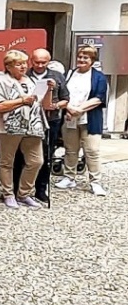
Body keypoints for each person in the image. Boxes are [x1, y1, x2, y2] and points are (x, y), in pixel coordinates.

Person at [0, 50, 52, 209]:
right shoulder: (1, 81)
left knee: (36, 161)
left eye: (24, 63)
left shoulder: (30, 80)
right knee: (7, 162)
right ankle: (8, 194)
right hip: (8, 127)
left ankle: (24, 194)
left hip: (31, 126)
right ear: (8, 66)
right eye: (19, 64)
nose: (23, 66)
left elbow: (44, 105)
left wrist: (49, 90)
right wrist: (22, 100)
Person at [13, 48, 69, 203]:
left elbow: (66, 98)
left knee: (46, 155)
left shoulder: (57, 76)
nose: (39, 65)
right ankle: (18, 188)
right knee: (22, 155)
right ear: (31, 60)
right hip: (28, 120)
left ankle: (41, 189)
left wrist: (56, 106)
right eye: (36, 62)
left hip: (51, 120)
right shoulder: (25, 75)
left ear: (48, 62)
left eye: (43, 62)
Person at [55, 45, 108, 196]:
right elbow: (62, 93)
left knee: (92, 150)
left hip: (90, 119)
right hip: (70, 117)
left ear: (92, 60)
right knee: (70, 149)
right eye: (80, 57)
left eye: (86, 57)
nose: (82, 60)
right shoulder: (70, 74)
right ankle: (69, 177)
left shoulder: (99, 77)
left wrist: (79, 109)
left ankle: (95, 182)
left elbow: (99, 98)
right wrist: (70, 108)